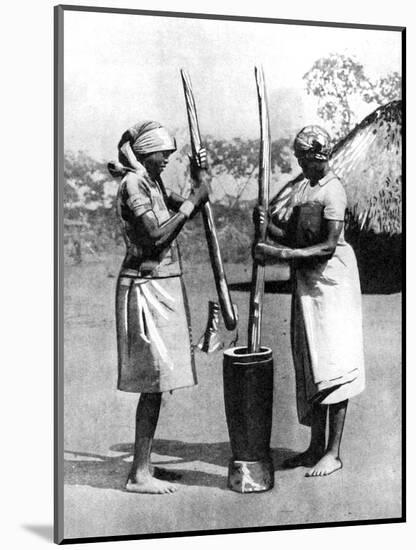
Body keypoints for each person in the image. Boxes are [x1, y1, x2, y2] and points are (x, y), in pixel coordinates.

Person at [254, 125, 365, 477]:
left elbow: (327, 246)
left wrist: (278, 253)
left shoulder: (334, 191)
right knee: (313, 362)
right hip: (307, 286)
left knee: (336, 365)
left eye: (304, 157)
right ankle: (315, 447)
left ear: (318, 156)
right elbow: (295, 236)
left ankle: (333, 451)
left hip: (333, 285)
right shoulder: (305, 188)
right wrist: (266, 226)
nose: (300, 163)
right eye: (298, 158)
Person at [112, 120, 210, 493]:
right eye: (162, 152)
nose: (168, 157)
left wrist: (199, 176)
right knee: (152, 382)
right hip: (144, 285)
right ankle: (139, 473)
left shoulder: (152, 182)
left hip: (160, 285)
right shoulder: (134, 183)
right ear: (146, 151)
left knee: (159, 382)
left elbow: (192, 204)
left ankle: (145, 465)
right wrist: (190, 202)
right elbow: (155, 235)